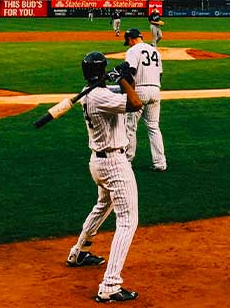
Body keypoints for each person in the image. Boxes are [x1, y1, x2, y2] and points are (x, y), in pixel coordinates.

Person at [65, 51, 144, 304]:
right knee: (127, 221)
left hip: (98, 163)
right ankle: (110, 285)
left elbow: (122, 91)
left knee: (103, 206)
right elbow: (135, 103)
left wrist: (125, 77)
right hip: (114, 165)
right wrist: (122, 79)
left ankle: (78, 252)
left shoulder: (90, 92)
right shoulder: (99, 96)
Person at [123, 28, 166, 172]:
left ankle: (127, 161)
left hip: (139, 90)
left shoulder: (133, 51)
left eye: (127, 41)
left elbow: (131, 73)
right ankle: (160, 163)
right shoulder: (155, 51)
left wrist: (129, 92)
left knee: (130, 127)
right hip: (155, 90)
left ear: (130, 39)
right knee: (154, 127)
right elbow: (160, 74)